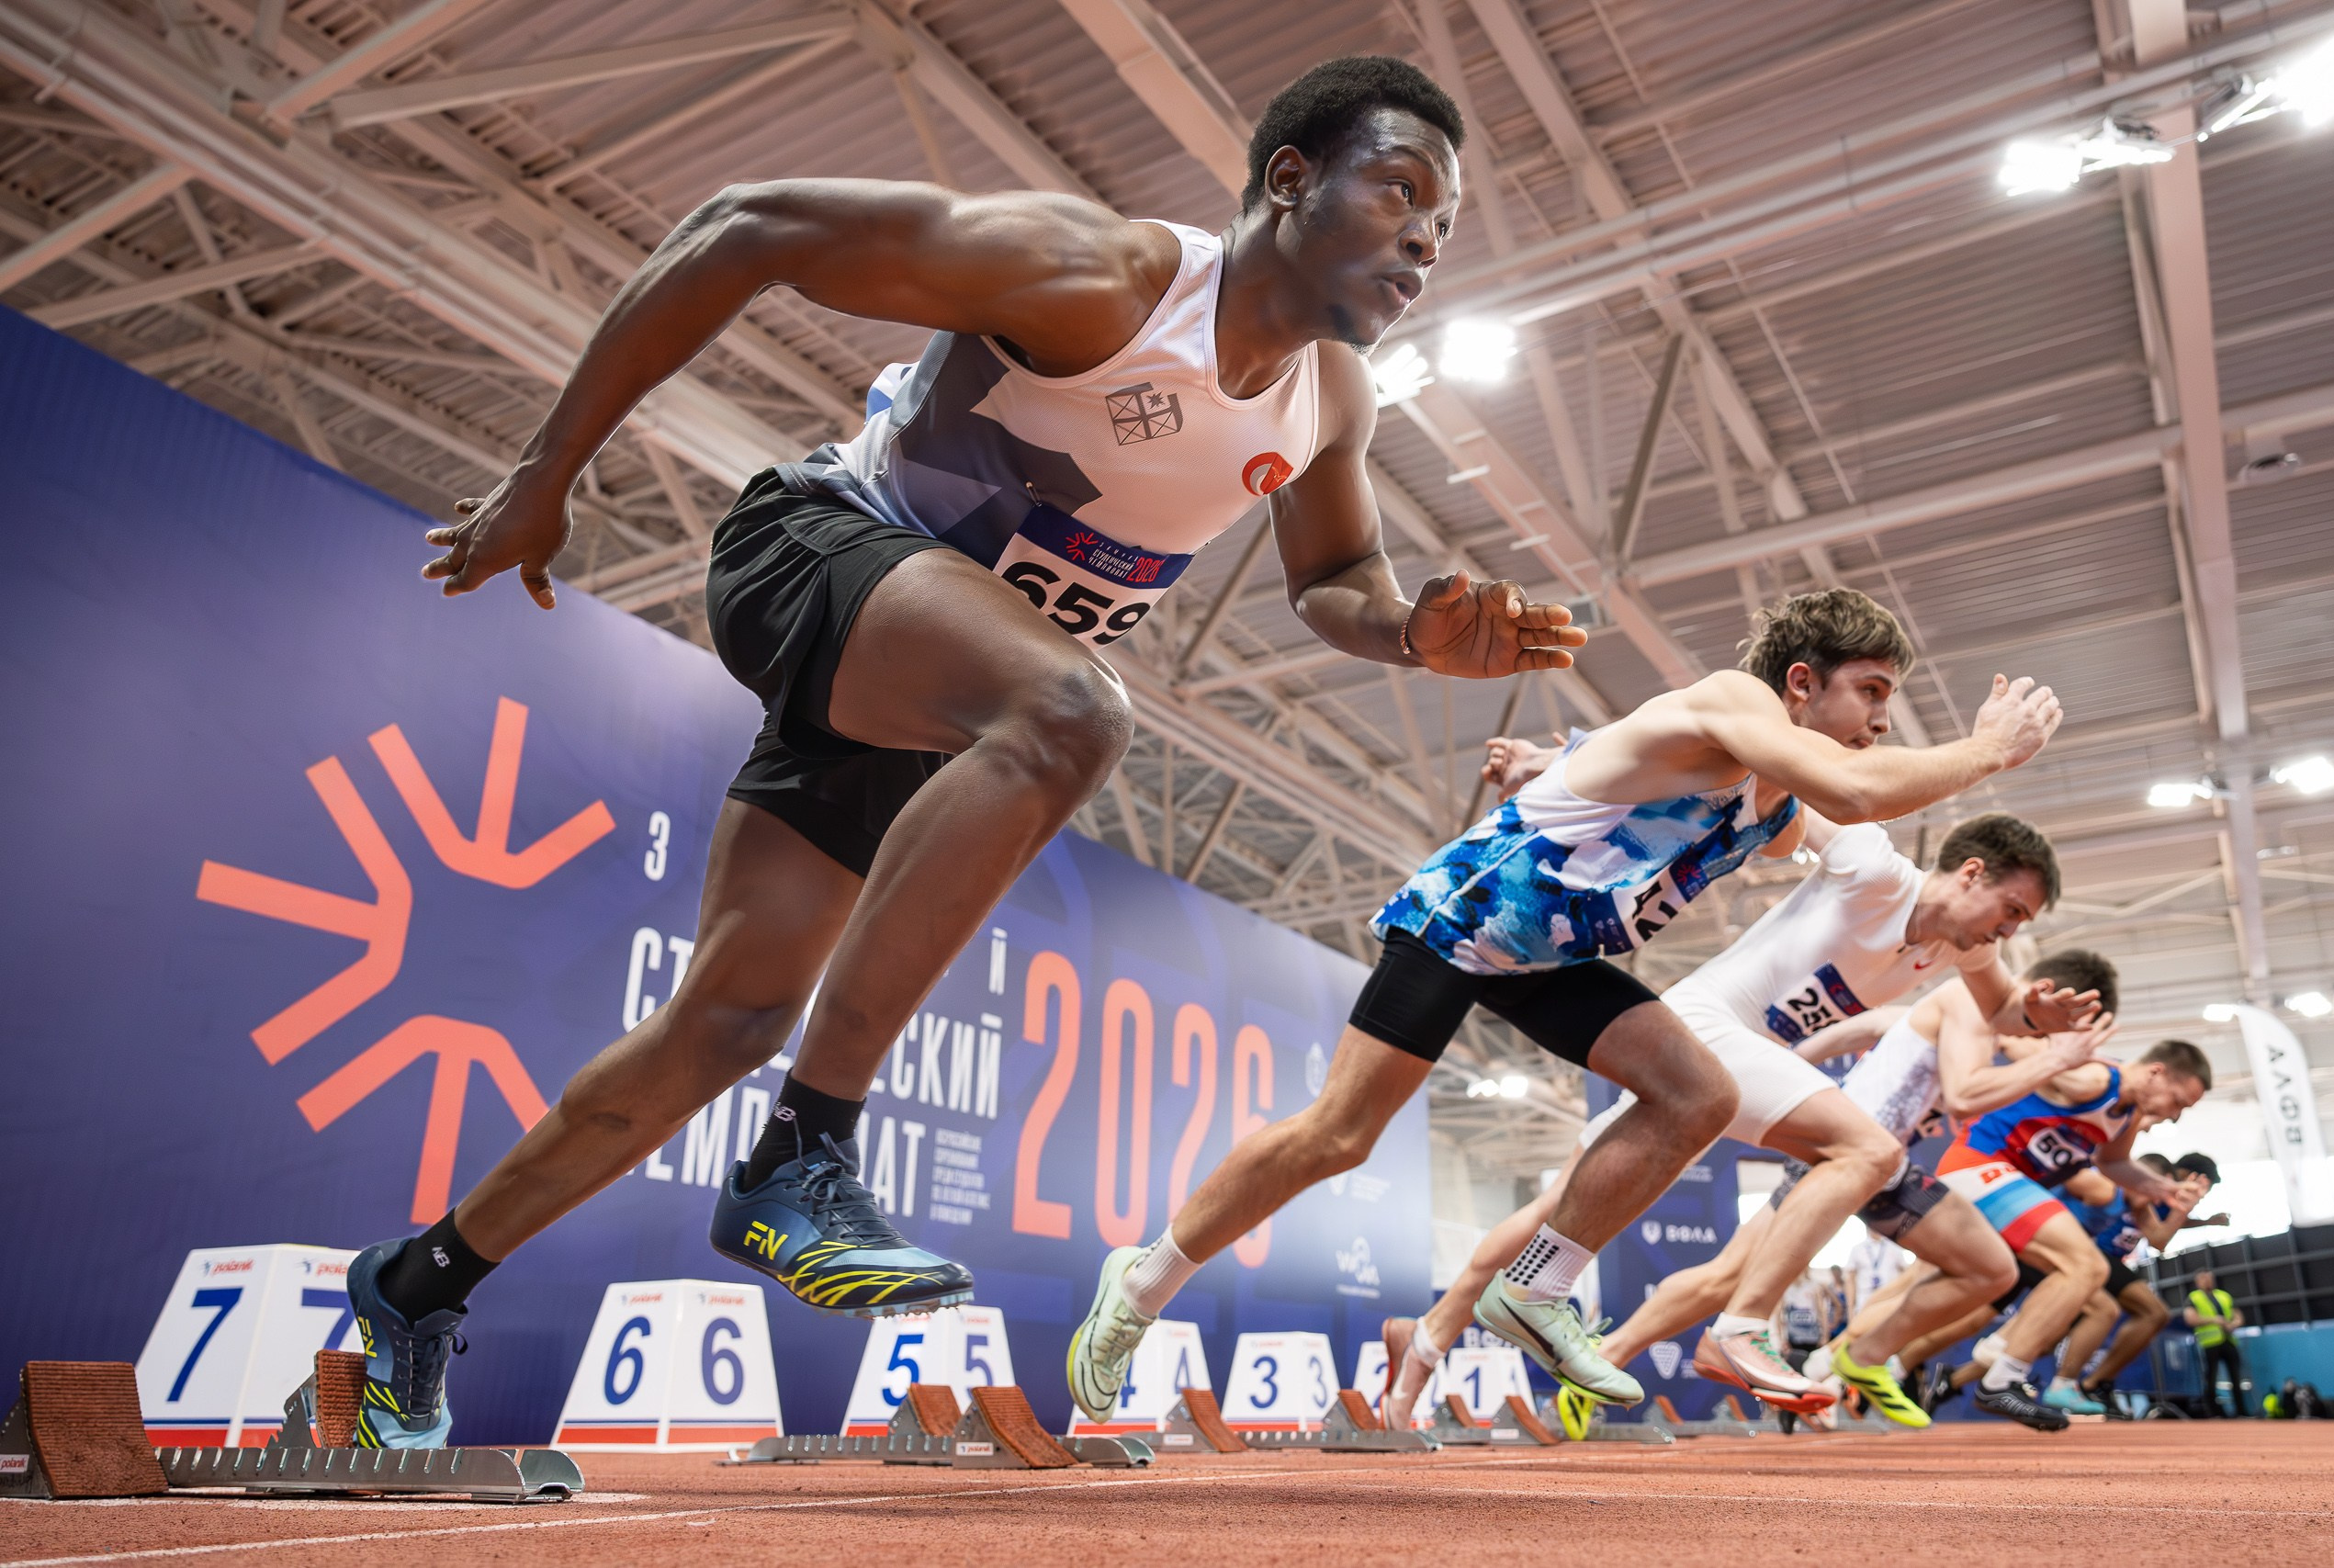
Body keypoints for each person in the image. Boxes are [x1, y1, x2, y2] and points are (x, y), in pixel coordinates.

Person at [338, 55, 1589, 1449]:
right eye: (1402, 191)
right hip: (816, 554)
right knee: (1078, 710)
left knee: (726, 1020)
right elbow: (747, 224)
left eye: (1446, 225)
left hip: (926, 690)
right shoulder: (1105, 280)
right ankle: (808, 1147)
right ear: (1290, 181)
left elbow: (1335, 573)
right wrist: (547, 473)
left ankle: (417, 1278)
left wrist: (1417, 634)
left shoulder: (1330, 400)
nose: (1426, 237)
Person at [1067, 585, 2069, 1424]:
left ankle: (1536, 1289)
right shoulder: (1730, 700)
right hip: (1465, 924)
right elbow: (1854, 790)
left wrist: (1549, 765)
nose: (1883, 718)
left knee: (1696, 1094)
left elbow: (1674, 775)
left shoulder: (1767, 799)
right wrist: (1984, 752)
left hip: (1554, 958)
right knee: (1339, 1135)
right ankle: (1142, 1281)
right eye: (1872, 691)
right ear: (1800, 683)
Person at [1374, 814, 2101, 1430]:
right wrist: (1566, 784)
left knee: (1564, 1200)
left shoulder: (1970, 946)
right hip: (1707, 1029)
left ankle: (1426, 1341)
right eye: (2012, 908)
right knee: (1868, 1151)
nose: (2010, 928)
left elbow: (2004, 1009)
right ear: (1971, 872)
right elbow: (1776, 794)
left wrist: (2041, 1017)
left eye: (2022, 924)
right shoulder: (1874, 863)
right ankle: (1742, 1328)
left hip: (1745, 1062)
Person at [1909, 1032, 2206, 1427]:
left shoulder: (2127, 1115)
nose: (2175, 1115)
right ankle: (2007, 1379)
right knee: (2085, 1270)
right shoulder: (2097, 1079)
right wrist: (2019, 1039)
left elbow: (2114, 1164)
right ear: (2156, 1072)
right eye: (2178, 1102)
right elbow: (2012, 1043)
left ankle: (1865, 1363)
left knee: (1972, 1295)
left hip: (2002, 1179)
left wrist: (2164, 1189)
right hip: (1978, 1161)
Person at [2046, 1152, 2217, 1414]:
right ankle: (2082, 1382)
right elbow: (2161, 1233)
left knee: (2054, 1332)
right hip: (2091, 1254)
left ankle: (2086, 1382)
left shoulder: (2154, 1200)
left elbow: (2160, 1236)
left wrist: (2197, 1216)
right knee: (2145, 1312)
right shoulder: (2143, 1182)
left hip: (2105, 1261)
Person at [2188, 1267, 2249, 1417]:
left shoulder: (2224, 1296)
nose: (2207, 1280)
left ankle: (2241, 1412)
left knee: (2236, 1378)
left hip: (2228, 1341)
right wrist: (2215, 1320)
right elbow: (2190, 1318)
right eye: (2204, 1278)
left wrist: (2234, 1324)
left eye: (2210, 1277)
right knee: (2211, 1379)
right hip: (2210, 1344)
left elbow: (2238, 1315)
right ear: (2197, 1281)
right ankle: (2213, 1414)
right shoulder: (2194, 1298)